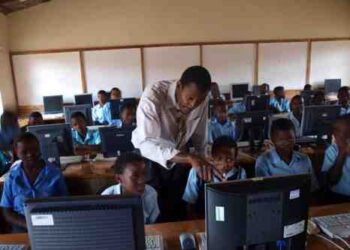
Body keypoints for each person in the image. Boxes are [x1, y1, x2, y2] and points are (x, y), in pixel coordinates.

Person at [132, 66, 218, 221]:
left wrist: (203, 158)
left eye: (198, 101)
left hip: (179, 155)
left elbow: (200, 133)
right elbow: (148, 144)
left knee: (176, 205)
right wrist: (190, 158)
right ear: (179, 86)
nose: (193, 105)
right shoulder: (153, 96)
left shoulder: (201, 99)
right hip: (149, 157)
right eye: (190, 98)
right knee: (155, 206)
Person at [0, 132, 68, 232]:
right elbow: (6, 211)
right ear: (17, 152)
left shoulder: (54, 173)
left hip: (50, 223)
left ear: (39, 148)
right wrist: (28, 225)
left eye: (34, 149)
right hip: (21, 224)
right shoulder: (11, 177)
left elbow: (65, 203)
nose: (30, 154)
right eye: (24, 151)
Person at [183, 136, 246, 218]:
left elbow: (242, 200)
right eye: (219, 158)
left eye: (229, 159)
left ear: (235, 158)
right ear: (212, 157)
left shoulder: (240, 173)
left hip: (231, 216)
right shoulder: (197, 172)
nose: (224, 164)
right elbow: (190, 200)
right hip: (203, 217)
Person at [255, 118, 318, 191]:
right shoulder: (264, 162)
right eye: (281, 141)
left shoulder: (305, 159)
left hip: (302, 200)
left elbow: (313, 188)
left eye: (290, 139)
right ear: (272, 140)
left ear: (295, 138)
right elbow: (264, 193)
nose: (287, 144)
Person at [101, 152, 159, 224]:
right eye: (135, 176)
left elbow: (153, 225)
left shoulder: (150, 193)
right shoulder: (106, 198)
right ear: (119, 179)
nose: (142, 181)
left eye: (144, 174)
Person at [321, 115, 350, 201]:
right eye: (334, 130)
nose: (334, 133)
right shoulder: (332, 151)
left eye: (338, 130)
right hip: (338, 198)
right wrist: (342, 153)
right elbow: (332, 180)